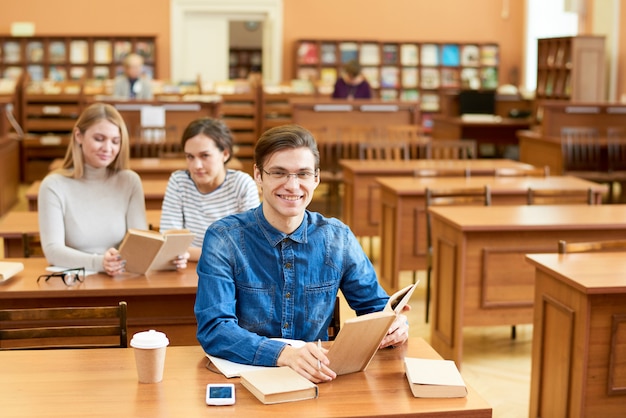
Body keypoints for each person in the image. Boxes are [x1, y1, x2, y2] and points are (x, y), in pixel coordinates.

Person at [194, 124, 409, 383]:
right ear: (258, 175)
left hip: (317, 377)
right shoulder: (223, 238)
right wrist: (284, 354)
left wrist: (393, 325)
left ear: (316, 178)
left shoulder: (337, 237)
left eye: (303, 174)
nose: (292, 185)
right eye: (279, 173)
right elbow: (214, 328)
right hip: (245, 380)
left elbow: (374, 308)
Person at [38, 103, 147, 275]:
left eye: (115, 141)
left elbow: (141, 243)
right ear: (79, 136)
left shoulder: (130, 181)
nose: (108, 148)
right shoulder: (53, 185)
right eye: (99, 139)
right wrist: (99, 262)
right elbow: (53, 251)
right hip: (74, 284)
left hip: (119, 279)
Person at [159, 117, 260, 262]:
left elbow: (250, 247)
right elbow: (170, 244)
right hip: (186, 270)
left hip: (230, 272)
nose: (196, 165)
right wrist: (222, 254)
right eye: (190, 157)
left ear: (225, 154)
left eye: (205, 155)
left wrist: (188, 253)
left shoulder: (242, 184)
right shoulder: (179, 182)